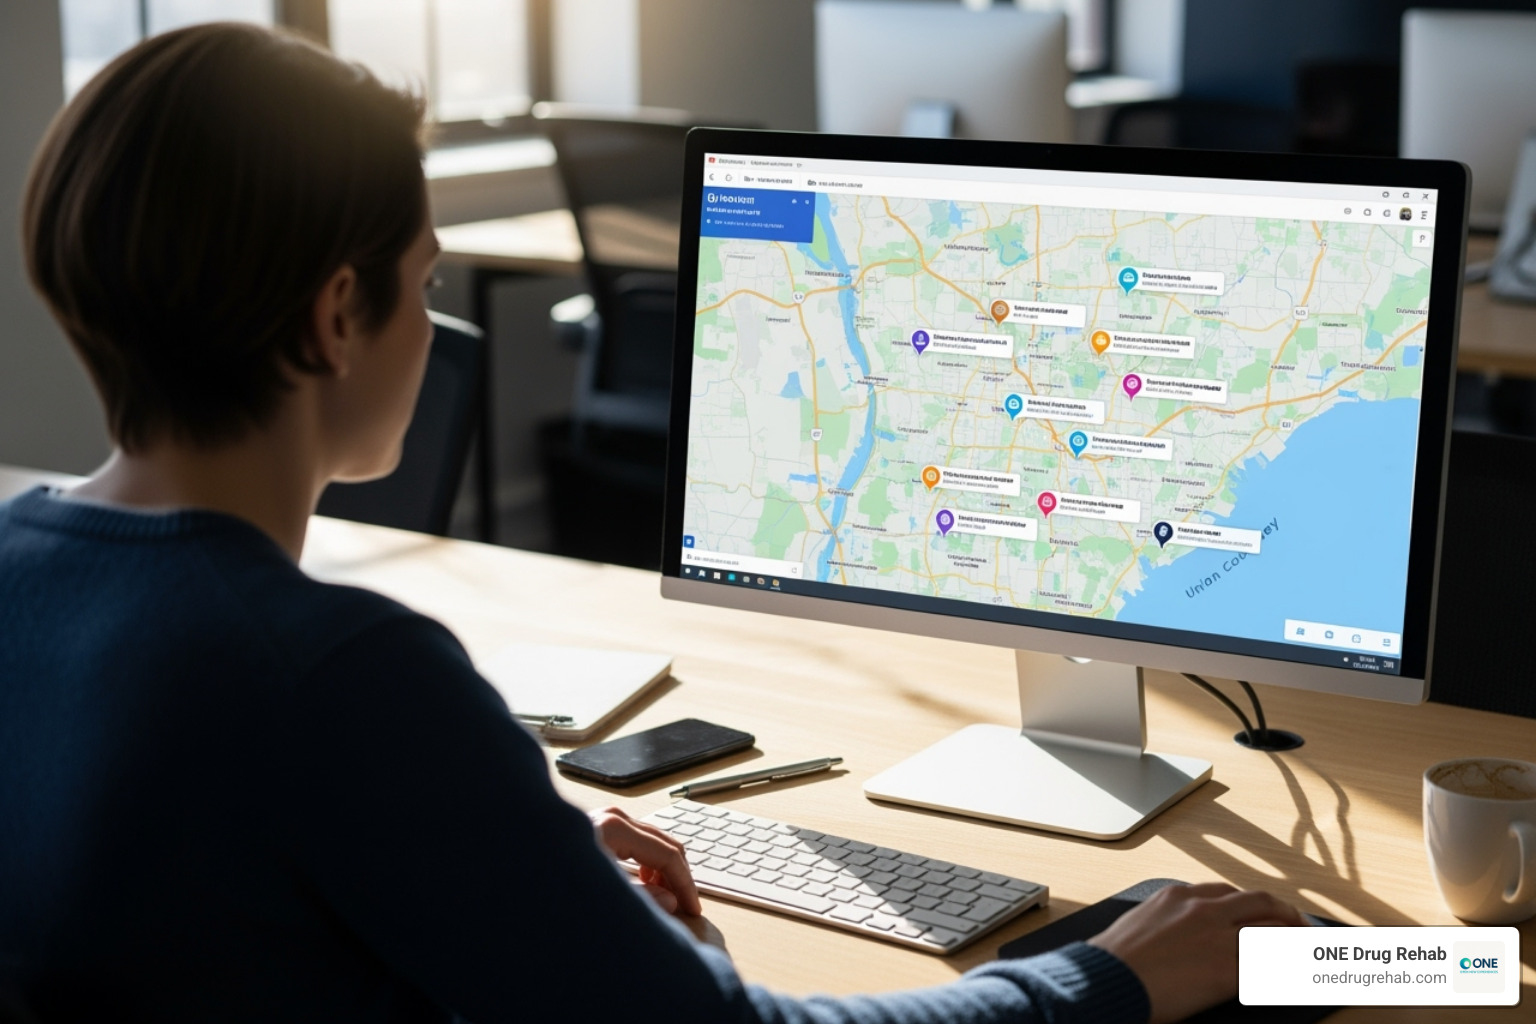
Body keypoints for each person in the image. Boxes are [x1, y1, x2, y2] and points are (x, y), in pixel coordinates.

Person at [0, 22, 1305, 1024]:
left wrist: (524, 875)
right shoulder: (342, 676)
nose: (429, 315)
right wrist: (1109, 975)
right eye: (426, 281)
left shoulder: (18, 566)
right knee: (1395, 976)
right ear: (337, 317)